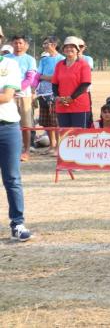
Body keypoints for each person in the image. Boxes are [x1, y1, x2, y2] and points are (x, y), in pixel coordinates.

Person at [0, 46, 32, 241]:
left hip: (8, 127)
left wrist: (4, 94)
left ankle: (17, 223)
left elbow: (6, 96)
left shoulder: (10, 64)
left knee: (12, 178)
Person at [51, 36, 92, 129]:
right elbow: (54, 84)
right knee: (64, 135)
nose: (69, 49)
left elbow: (85, 84)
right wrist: (57, 97)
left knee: (79, 135)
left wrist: (71, 98)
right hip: (62, 106)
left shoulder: (84, 64)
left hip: (79, 106)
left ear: (77, 49)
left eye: (72, 47)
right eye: (66, 47)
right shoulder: (59, 65)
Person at [8, 36, 37, 161]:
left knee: (26, 124)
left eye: (20, 43)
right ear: (12, 44)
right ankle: (12, 150)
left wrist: (16, 89)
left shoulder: (30, 59)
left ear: (25, 45)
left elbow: (30, 79)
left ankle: (26, 150)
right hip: (7, 95)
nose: (18, 45)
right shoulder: (5, 58)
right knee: (8, 122)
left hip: (24, 95)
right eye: (15, 43)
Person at [36, 36, 64, 154]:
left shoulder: (61, 59)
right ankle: (52, 145)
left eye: (46, 43)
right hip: (42, 93)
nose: (44, 46)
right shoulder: (44, 60)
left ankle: (58, 147)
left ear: (54, 44)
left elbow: (58, 78)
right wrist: (46, 77)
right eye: (44, 44)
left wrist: (44, 77)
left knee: (55, 121)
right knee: (46, 121)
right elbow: (38, 75)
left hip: (54, 93)